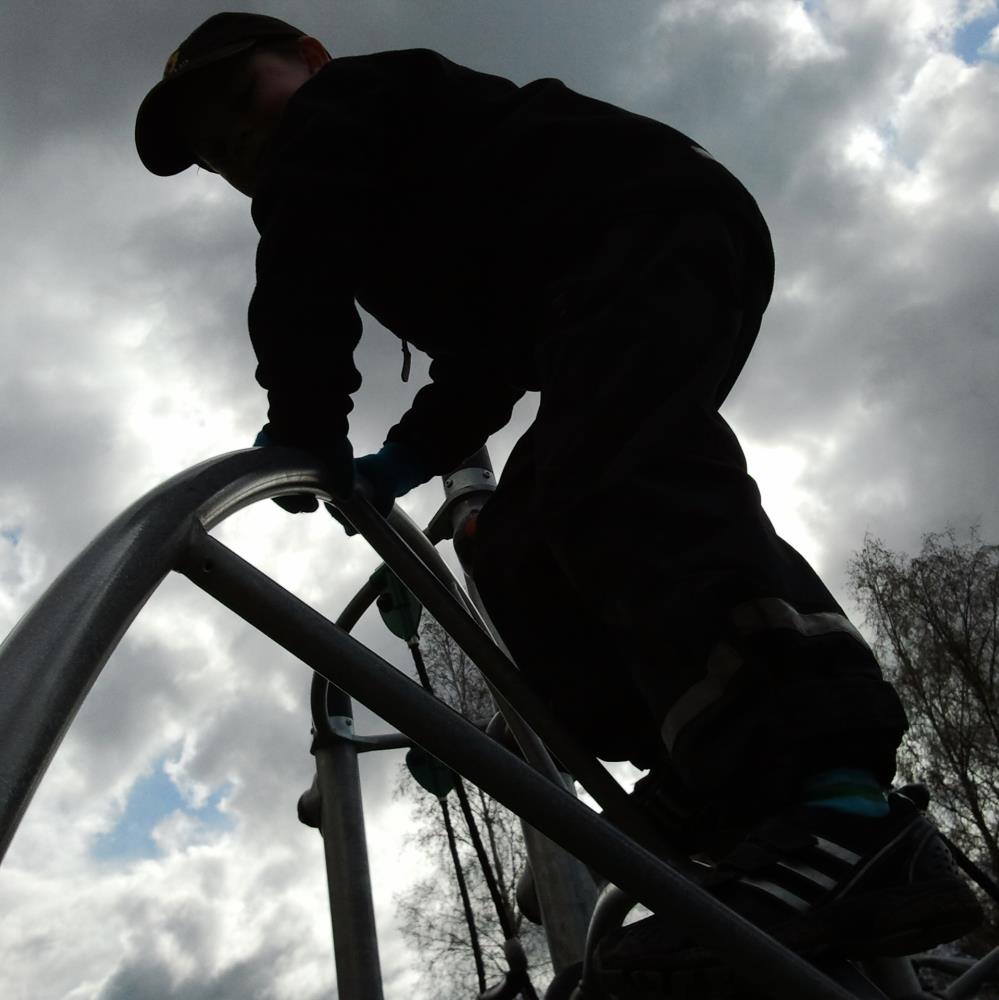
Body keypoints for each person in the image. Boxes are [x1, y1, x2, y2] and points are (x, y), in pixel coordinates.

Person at [135, 11, 982, 991]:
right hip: (590, 284)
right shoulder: (404, 201)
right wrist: (406, 457)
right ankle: (715, 769)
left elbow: (301, 265)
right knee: (524, 535)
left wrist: (304, 420)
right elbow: (489, 353)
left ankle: (842, 803)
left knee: (622, 466)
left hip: (649, 224)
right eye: (213, 151)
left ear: (311, 60)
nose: (239, 144)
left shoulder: (344, 113)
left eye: (240, 103)